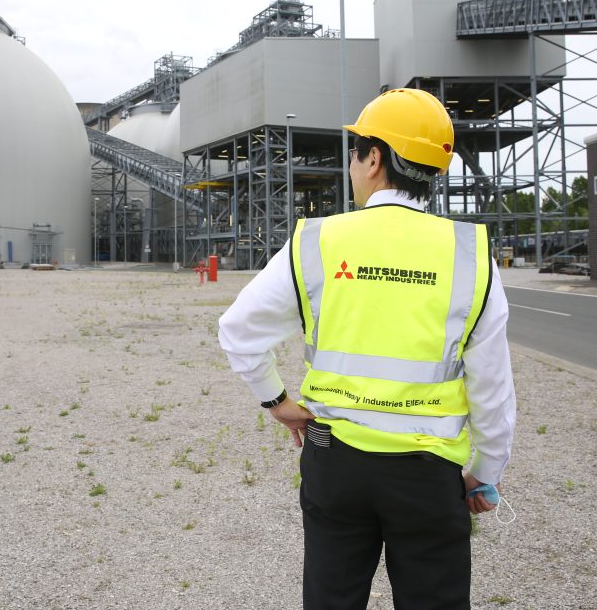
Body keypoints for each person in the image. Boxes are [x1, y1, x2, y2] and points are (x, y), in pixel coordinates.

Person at [218, 88, 515, 610]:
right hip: (429, 473)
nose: (352, 167)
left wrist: (278, 403)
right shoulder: (471, 254)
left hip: (336, 463)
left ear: (374, 158)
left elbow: (239, 330)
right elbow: (492, 387)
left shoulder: (318, 241)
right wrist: (483, 473)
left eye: (354, 153)